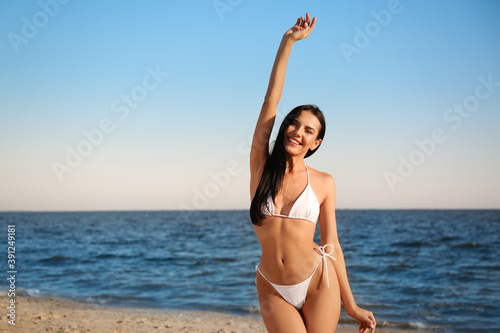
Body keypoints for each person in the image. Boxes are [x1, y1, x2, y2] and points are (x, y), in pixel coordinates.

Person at [249, 13, 377, 333]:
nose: (297, 132)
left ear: (315, 142)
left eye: (308, 130)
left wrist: (352, 304)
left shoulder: (323, 182)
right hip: (271, 287)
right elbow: (271, 99)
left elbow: (332, 244)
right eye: (293, 123)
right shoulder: (260, 167)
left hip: (319, 282)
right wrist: (288, 42)